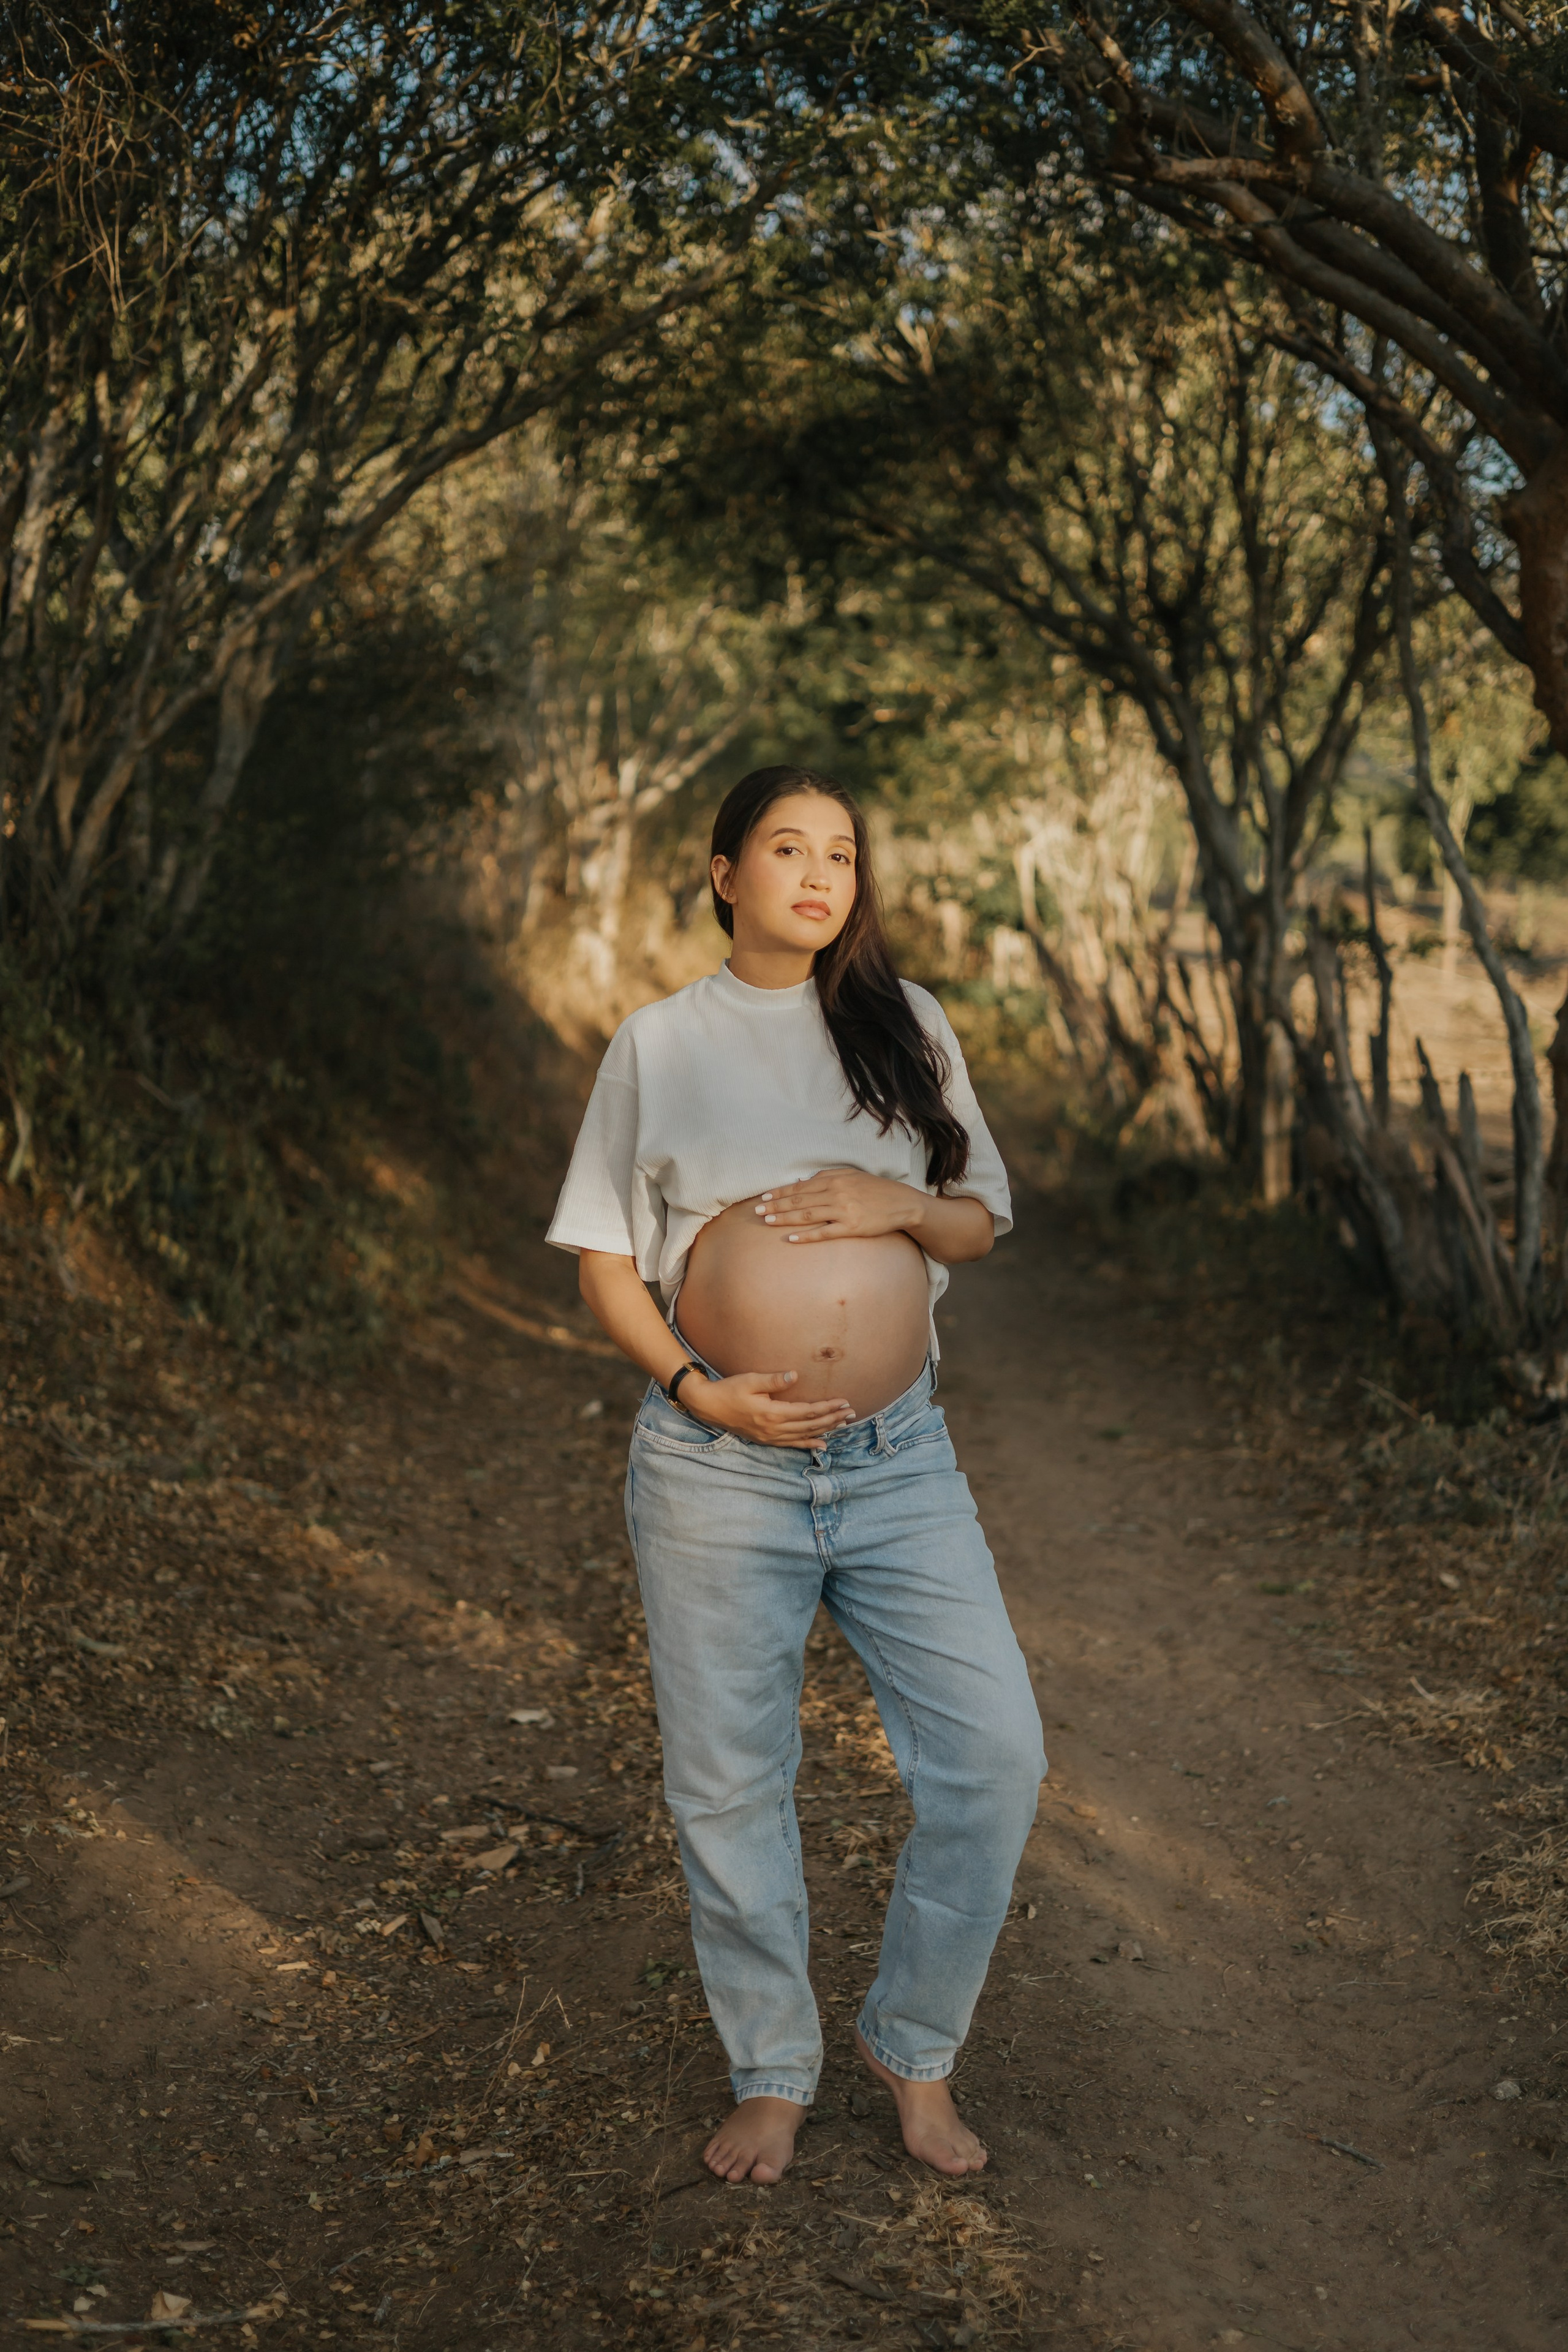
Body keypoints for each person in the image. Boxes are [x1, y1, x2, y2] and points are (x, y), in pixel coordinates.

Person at [546, 764, 1046, 2184]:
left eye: (841, 853)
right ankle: (770, 2068)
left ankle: (913, 2047)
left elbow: (975, 1224)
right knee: (727, 1783)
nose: (821, 875)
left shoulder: (905, 1025)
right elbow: (603, 1257)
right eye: (786, 848)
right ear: (724, 874)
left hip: (897, 1465)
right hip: (717, 1471)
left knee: (994, 1756)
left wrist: (897, 1203)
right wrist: (697, 1387)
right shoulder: (659, 1043)